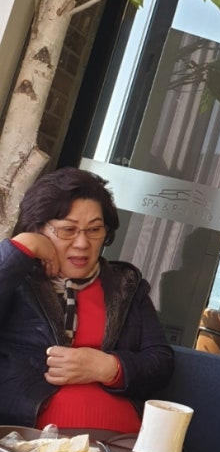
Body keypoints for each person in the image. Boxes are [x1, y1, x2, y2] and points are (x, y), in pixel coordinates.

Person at [0, 166, 174, 430]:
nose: (82, 243)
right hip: (30, 441)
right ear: (39, 228)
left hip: (123, 443)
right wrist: (23, 246)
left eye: (94, 230)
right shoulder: (19, 279)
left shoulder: (126, 285)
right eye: (68, 230)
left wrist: (108, 367)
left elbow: (161, 363)